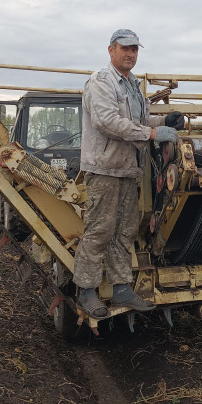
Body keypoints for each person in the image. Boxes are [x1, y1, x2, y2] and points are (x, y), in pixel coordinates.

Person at [73, 29, 184, 319]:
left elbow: (139, 119)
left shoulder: (133, 85)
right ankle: (86, 291)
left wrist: (163, 121)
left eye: (135, 49)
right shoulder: (101, 82)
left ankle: (122, 287)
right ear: (111, 50)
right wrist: (150, 133)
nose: (130, 54)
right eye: (125, 48)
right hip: (105, 168)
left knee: (124, 231)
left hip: (128, 169)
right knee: (100, 230)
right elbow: (107, 122)